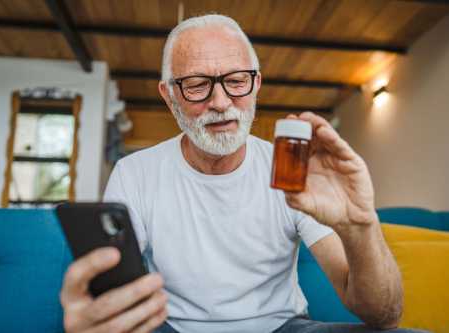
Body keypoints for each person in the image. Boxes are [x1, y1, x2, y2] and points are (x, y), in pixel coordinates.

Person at [59, 15, 428, 333]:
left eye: (236, 80)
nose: (220, 103)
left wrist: (359, 224)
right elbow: (110, 292)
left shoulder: (293, 173)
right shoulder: (135, 173)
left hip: (283, 327)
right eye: (197, 84)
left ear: (257, 84)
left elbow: (384, 315)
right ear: (169, 96)